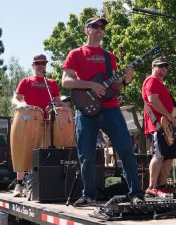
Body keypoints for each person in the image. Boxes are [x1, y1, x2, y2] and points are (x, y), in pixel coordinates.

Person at [61, 16, 145, 206]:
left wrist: (125, 80)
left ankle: (136, 194)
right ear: (86, 30)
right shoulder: (76, 53)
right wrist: (91, 84)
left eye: (102, 27)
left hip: (110, 109)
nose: (100, 29)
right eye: (96, 26)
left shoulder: (109, 57)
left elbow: (112, 86)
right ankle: (89, 194)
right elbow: (65, 81)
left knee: (126, 150)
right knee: (86, 155)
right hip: (85, 111)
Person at [11, 54, 60, 197]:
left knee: (44, 154)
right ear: (33, 66)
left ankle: (41, 184)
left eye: (43, 63)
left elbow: (57, 101)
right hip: (29, 122)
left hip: (47, 123)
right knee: (24, 150)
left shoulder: (52, 83)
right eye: (38, 63)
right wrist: (20, 104)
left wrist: (60, 105)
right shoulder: (26, 81)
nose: (41, 66)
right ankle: (19, 185)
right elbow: (16, 98)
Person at [142, 56, 176, 197]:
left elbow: (165, 104)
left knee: (169, 156)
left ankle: (161, 186)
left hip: (165, 125)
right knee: (159, 155)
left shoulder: (161, 84)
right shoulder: (151, 81)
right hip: (158, 125)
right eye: (160, 66)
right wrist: (169, 115)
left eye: (165, 66)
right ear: (153, 67)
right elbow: (152, 100)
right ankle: (152, 186)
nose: (164, 69)